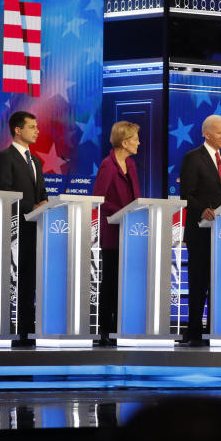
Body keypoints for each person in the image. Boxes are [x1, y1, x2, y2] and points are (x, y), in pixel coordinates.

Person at [179, 114, 221, 346]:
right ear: (206, 133)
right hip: (200, 232)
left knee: (220, 282)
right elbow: (187, 194)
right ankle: (193, 330)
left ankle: (215, 328)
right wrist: (202, 209)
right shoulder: (193, 158)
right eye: (219, 132)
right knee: (199, 282)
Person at [0, 111, 48, 344]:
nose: (37, 131)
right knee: (13, 280)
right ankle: (11, 329)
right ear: (18, 129)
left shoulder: (35, 160)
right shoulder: (4, 157)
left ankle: (27, 330)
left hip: (34, 227)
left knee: (30, 281)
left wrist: (42, 204)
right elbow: (5, 190)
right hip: (15, 229)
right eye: (32, 127)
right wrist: (30, 206)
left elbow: (41, 193)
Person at [92, 121, 141, 346]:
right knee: (110, 281)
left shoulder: (131, 165)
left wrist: (136, 212)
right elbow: (99, 199)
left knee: (125, 282)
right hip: (113, 231)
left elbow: (136, 198)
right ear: (124, 141)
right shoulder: (107, 165)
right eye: (135, 139)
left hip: (130, 232)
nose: (139, 143)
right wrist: (122, 212)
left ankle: (120, 327)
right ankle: (104, 330)